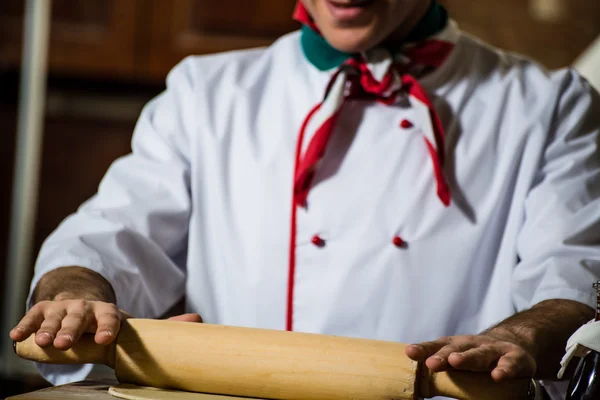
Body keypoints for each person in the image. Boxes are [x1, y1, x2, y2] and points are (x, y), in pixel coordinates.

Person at [10, 0, 600, 398]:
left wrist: (518, 340)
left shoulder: (550, 107)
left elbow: (573, 273)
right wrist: (78, 295)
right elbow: (113, 233)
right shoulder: (207, 92)